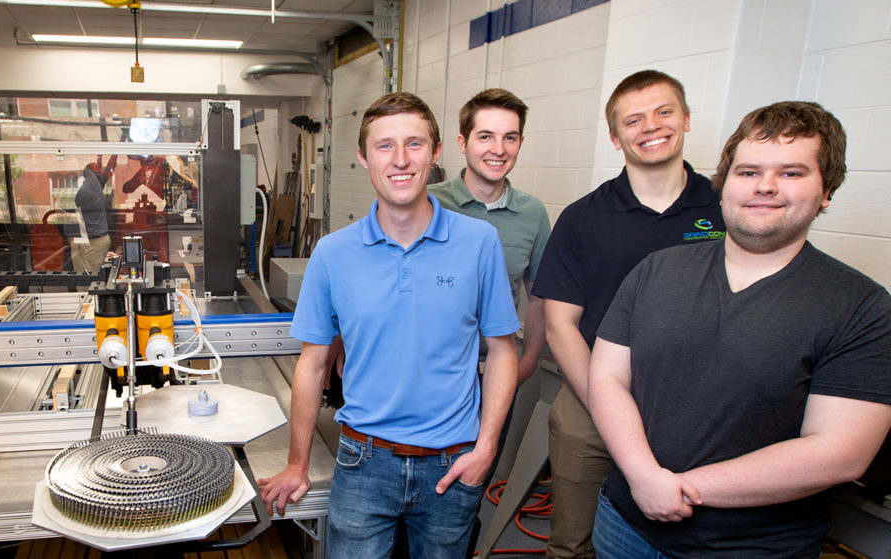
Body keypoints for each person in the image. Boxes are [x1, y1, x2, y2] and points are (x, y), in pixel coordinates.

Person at [587, 101, 891, 558]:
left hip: (751, 548)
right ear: (724, 184)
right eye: (748, 172)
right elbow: (607, 377)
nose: (765, 187)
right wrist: (644, 477)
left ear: (826, 190)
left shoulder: (861, 307)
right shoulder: (656, 271)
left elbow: (839, 451)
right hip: (625, 525)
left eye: (791, 173)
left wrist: (679, 489)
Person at [257, 92, 520, 559]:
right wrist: (297, 464)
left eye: (415, 144)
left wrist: (486, 450)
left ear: (436, 153)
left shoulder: (479, 242)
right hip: (364, 462)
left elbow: (502, 350)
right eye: (384, 146)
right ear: (363, 157)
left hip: (452, 463)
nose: (400, 160)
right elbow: (313, 364)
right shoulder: (333, 254)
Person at [530, 70, 725, 558]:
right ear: (615, 137)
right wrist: (606, 406)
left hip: (699, 406)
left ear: (684, 119)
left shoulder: (728, 210)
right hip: (590, 400)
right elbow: (560, 325)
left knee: (688, 540)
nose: (650, 126)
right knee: (572, 543)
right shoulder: (582, 218)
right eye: (633, 119)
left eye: (663, 112)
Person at [430, 88, 551, 390]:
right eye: (485, 136)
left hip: (496, 372)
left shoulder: (532, 212)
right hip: (429, 372)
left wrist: (527, 363)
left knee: (491, 441)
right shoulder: (429, 204)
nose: (498, 149)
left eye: (510, 137)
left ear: (520, 143)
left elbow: (538, 299)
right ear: (462, 142)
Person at [73, 154, 117, 273]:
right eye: (98, 167)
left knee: (89, 278)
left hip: (95, 241)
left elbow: (109, 167)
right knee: (87, 275)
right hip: (94, 239)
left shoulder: (91, 186)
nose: (101, 168)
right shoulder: (93, 185)